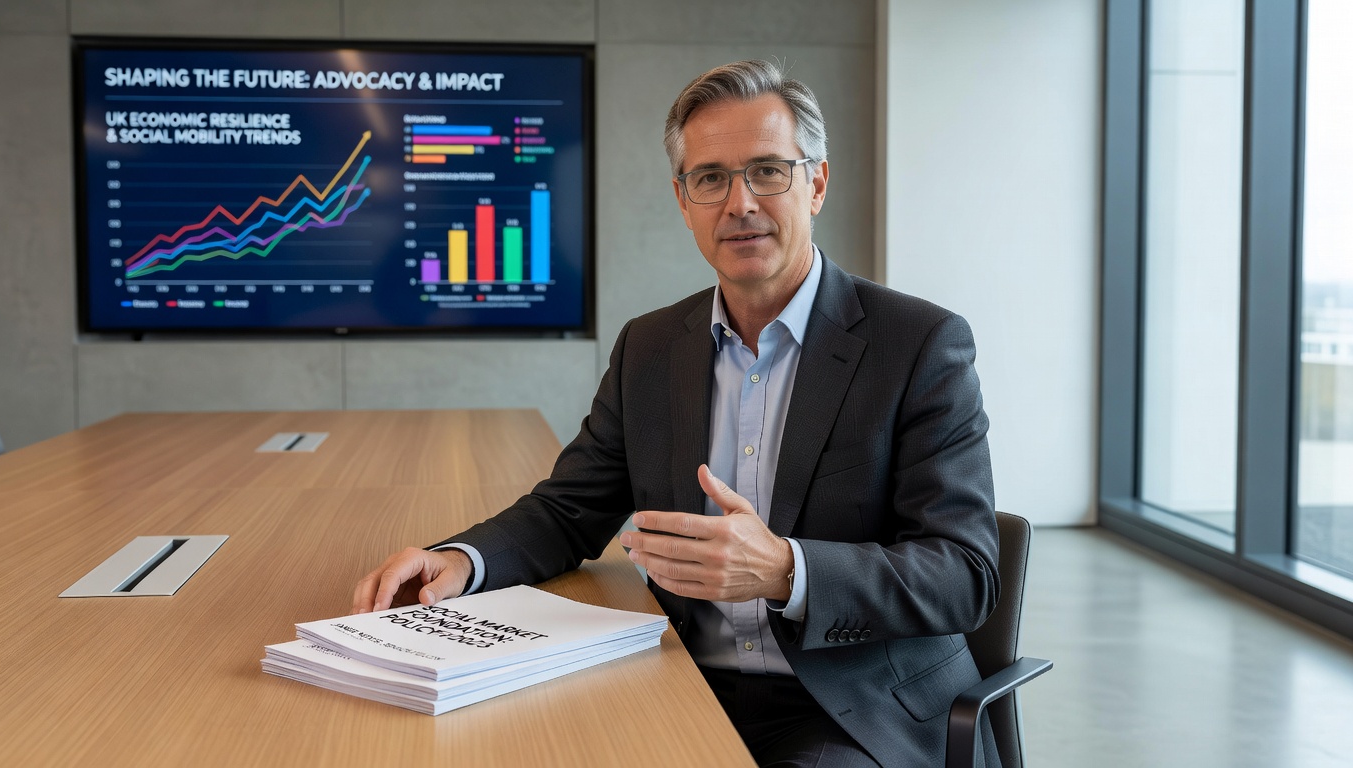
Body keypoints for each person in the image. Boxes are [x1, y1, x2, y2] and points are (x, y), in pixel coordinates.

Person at [353, 59, 1002, 768]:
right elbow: (570, 509)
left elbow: (964, 574)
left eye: (768, 171)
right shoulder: (652, 347)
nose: (740, 203)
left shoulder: (919, 343)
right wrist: (461, 558)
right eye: (711, 178)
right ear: (683, 198)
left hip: (850, 706)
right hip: (681, 679)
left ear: (816, 183)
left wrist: (787, 570)